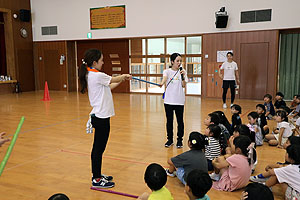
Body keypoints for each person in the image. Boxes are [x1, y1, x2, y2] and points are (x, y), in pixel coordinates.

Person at [79, 49, 131, 188]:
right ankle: (96, 179)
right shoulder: (96, 75)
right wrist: (123, 75)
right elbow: (113, 79)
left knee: (99, 148)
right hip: (101, 117)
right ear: (95, 62)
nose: (103, 62)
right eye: (101, 60)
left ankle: (98, 174)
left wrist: (122, 79)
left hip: (101, 115)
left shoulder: (93, 74)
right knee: (98, 149)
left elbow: (110, 85)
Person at [160, 53, 188, 148]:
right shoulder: (167, 71)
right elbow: (164, 79)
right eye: (177, 61)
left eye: (180, 61)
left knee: (180, 121)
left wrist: (183, 75)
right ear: (172, 62)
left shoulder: (183, 71)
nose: (179, 63)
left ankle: (179, 140)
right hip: (168, 101)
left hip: (179, 100)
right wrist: (161, 83)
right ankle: (170, 140)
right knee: (169, 121)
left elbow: (184, 85)